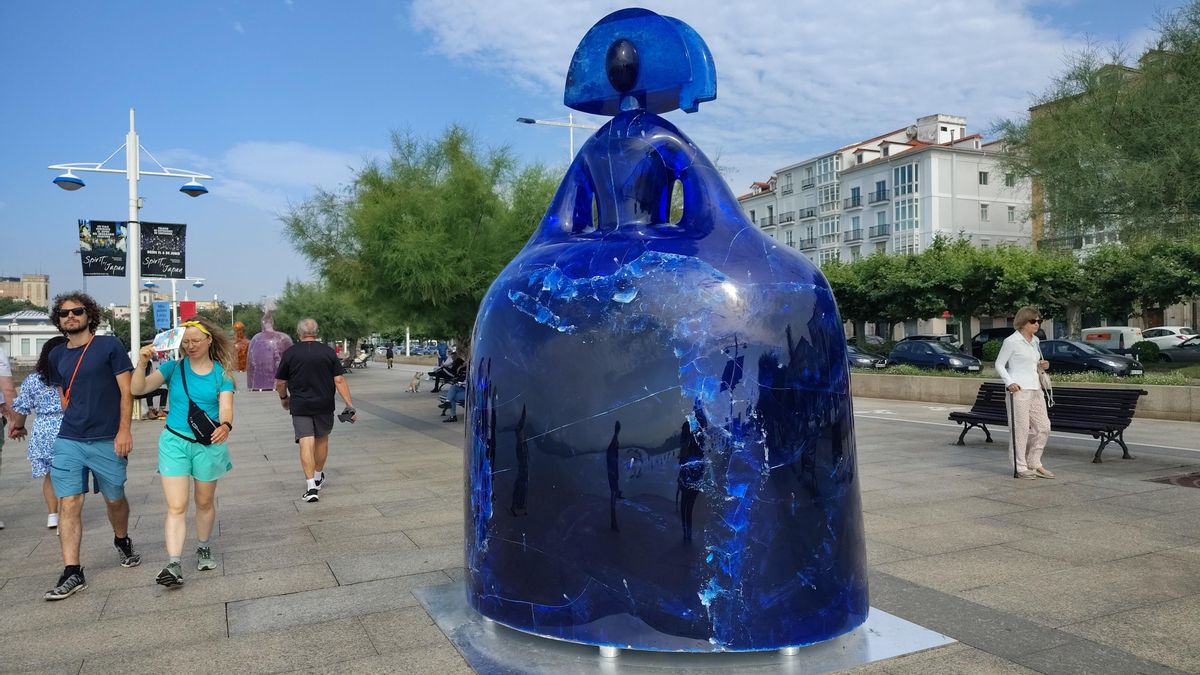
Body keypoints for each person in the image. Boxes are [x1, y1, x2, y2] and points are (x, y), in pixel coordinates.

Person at [41, 292, 140, 601]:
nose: (70, 316)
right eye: (64, 313)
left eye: (77, 311)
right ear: (58, 320)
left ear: (89, 314)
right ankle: (73, 570)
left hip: (107, 438)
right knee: (69, 503)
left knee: (115, 499)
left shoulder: (110, 346)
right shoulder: (58, 354)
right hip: (69, 438)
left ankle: (122, 539)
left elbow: (127, 391)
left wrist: (124, 430)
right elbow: (64, 393)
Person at [132, 317, 235, 587]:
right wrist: (142, 361)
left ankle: (203, 546)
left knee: (203, 502)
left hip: (208, 443)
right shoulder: (172, 368)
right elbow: (137, 389)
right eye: (185, 341)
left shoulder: (221, 374)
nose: (190, 346)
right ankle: (174, 564)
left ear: (209, 340)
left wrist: (225, 425)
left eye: (195, 341)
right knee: (176, 506)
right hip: (174, 442)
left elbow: (225, 407)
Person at [274, 318, 356, 503]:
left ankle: (311, 487)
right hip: (324, 404)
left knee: (305, 442)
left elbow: (280, 382)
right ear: (316, 332)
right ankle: (318, 476)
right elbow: (340, 380)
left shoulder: (290, 353)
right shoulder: (328, 352)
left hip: (300, 405)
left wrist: (284, 398)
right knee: (321, 440)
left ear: (298, 332)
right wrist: (349, 405)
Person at [8, 336, 69, 530]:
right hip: (69, 427)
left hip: (43, 430)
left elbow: (21, 408)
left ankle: (53, 515)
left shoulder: (33, 380)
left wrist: (18, 426)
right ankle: (66, 518)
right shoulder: (72, 376)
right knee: (69, 475)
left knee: (49, 475)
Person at [994, 307, 1053, 480]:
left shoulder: (1035, 341)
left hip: (1036, 388)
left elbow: (1032, 364)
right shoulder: (1011, 341)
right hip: (1018, 390)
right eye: (1033, 321)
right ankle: (1020, 466)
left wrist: (1042, 365)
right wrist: (1009, 382)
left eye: (1039, 321)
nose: (1037, 324)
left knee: (1043, 427)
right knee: (1020, 430)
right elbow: (999, 364)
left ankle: (1034, 461)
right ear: (1023, 322)